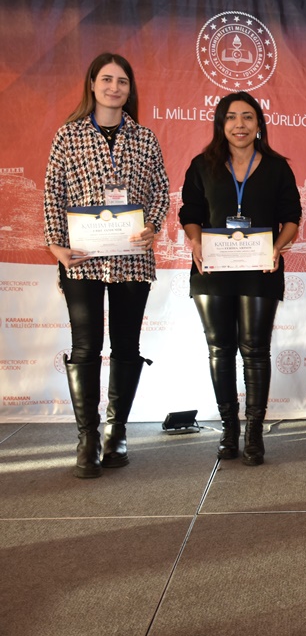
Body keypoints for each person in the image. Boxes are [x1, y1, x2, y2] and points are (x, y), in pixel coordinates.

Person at [44, 52, 170, 479]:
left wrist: (153, 225)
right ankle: (87, 437)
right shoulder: (69, 135)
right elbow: (53, 192)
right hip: (81, 258)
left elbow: (161, 190)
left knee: (127, 346)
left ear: (130, 89)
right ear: (92, 85)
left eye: (122, 81)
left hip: (132, 258)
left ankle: (117, 433)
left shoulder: (145, 138)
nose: (114, 87)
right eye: (107, 79)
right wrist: (56, 246)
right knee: (85, 346)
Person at [179, 91, 301, 466]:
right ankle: (229, 430)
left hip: (260, 271)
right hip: (212, 271)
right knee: (220, 350)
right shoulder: (202, 165)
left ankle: (254, 434)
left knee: (255, 350)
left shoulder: (277, 168)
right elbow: (190, 213)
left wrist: (276, 248)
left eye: (248, 117)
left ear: (259, 123)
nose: (240, 125)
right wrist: (196, 243)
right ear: (221, 124)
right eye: (231, 117)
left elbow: (292, 217)